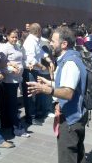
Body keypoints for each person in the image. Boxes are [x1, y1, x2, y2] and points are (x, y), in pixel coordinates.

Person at [27, 27, 88, 163]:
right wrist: (49, 83)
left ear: (64, 44)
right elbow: (69, 85)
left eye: (53, 41)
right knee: (78, 156)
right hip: (75, 116)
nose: (50, 44)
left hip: (71, 120)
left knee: (68, 158)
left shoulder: (70, 63)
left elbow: (68, 92)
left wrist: (47, 90)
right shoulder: (69, 58)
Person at [0, 29, 29, 137]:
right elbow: (2, 66)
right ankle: (16, 127)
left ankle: (7, 124)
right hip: (9, 80)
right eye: (12, 37)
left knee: (10, 103)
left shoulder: (17, 46)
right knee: (12, 104)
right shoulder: (4, 48)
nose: (14, 39)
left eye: (16, 37)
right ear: (7, 37)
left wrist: (25, 65)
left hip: (17, 80)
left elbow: (20, 60)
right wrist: (12, 70)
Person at [22, 23, 53, 125]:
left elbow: (41, 53)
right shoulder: (30, 41)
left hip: (34, 71)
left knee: (34, 93)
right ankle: (30, 118)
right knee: (31, 95)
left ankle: (33, 115)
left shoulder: (36, 40)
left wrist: (49, 60)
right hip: (29, 71)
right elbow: (31, 60)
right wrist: (42, 66)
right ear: (38, 31)